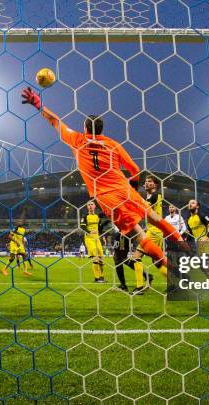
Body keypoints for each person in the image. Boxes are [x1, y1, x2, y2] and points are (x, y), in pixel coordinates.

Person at [21, 87, 183, 282]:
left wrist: (38, 104)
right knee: (156, 217)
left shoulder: (77, 140)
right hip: (124, 189)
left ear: (86, 128)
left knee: (140, 236)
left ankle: (176, 271)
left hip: (108, 198)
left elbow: (55, 121)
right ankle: (189, 252)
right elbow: (135, 170)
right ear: (101, 130)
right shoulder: (113, 144)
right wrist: (132, 188)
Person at [129, 175, 165, 295]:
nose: (146, 183)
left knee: (136, 257)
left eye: (149, 181)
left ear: (155, 185)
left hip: (154, 231)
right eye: (145, 181)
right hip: (154, 230)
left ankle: (139, 287)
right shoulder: (150, 196)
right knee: (157, 262)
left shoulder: (155, 196)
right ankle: (177, 283)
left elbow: (143, 207)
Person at [80, 201, 110, 283]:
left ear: (95, 206)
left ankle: (102, 277)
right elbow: (82, 226)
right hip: (89, 239)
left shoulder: (98, 216)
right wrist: (89, 232)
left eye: (91, 204)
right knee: (95, 257)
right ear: (87, 207)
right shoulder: (85, 216)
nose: (90, 206)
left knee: (101, 258)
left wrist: (108, 221)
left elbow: (100, 227)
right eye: (88, 204)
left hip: (97, 239)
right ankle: (97, 278)